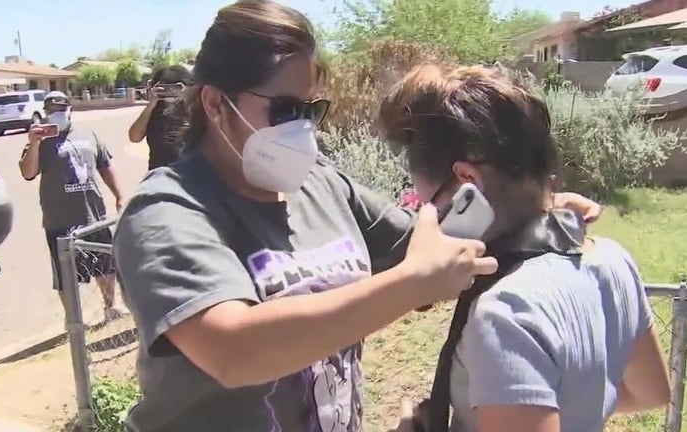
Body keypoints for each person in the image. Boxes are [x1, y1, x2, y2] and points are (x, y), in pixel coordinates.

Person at [113, 1, 602, 431]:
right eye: (285, 110)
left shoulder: (322, 185)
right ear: (217, 104)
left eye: (311, 109)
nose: (303, 128)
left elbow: (435, 243)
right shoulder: (168, 210)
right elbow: (233, 352)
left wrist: (531, 209)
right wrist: (413, 284)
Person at [376, 64, 670, 432]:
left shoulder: (504, 315)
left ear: (468, 181)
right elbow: (650, 393)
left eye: (428, 203)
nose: (427, 215)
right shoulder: (613, 259)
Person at [19, 91, 129, 322]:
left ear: (70, 110)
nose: (56, 115)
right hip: (59, 220)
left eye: (60, 110)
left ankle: (111, 307)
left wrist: (119, 195)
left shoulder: (88, 134)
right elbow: (27, 172)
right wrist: (34, 144)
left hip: (93, 215)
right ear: (45, 113)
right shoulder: (39, 139)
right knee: (65, 274)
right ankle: (74, 320)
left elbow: (105, 165)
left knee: (105, 265)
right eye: (51, 111)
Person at [127, 64, 194, 170]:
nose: (169, 91)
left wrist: (187, 99)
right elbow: (134, 137)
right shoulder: (153, 112)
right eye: (165, 87)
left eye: (175, 87)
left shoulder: (193, 110)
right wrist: (151, 104)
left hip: (189, 175)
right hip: (159, 174)